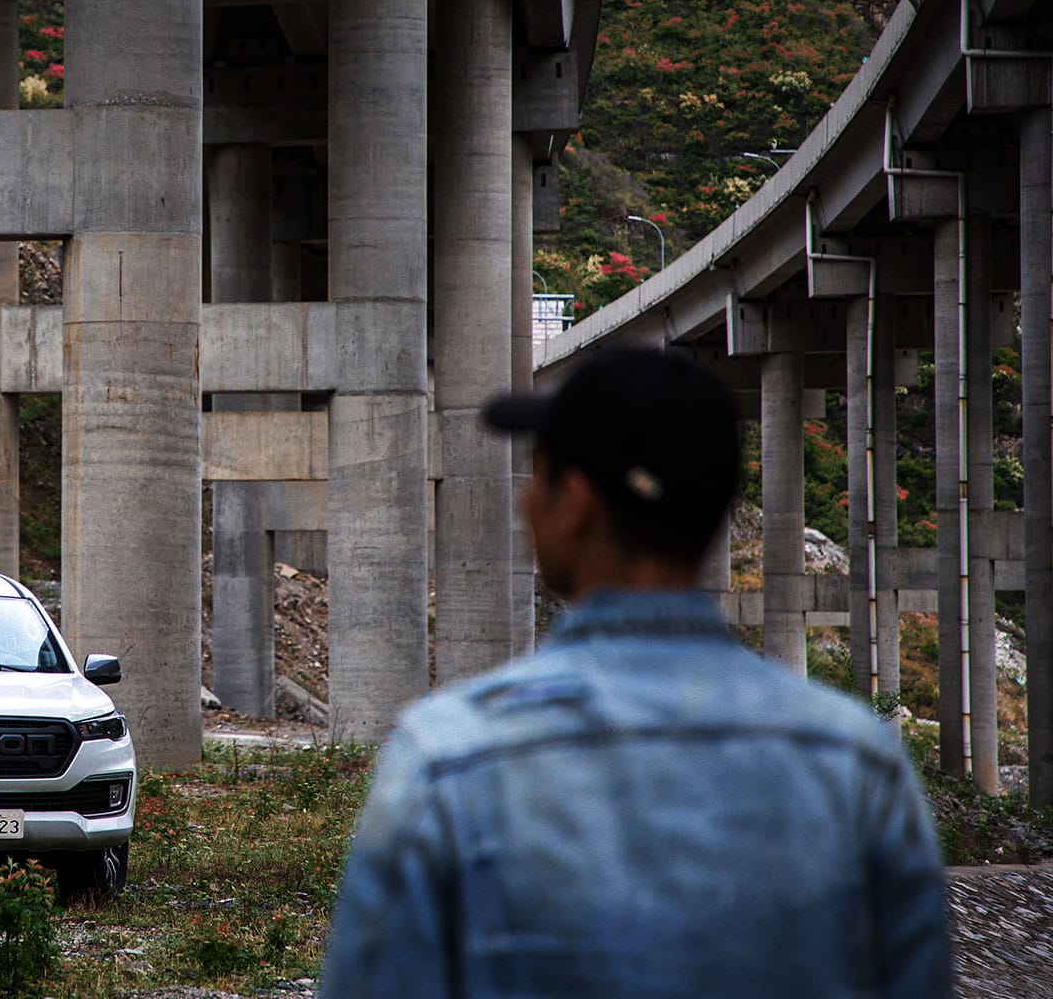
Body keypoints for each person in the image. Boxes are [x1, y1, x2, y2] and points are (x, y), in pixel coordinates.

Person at [320, 346, 952, 998]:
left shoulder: (446, 762)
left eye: (536, 477)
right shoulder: (857, 764)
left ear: (575, 502)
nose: (525, 503)